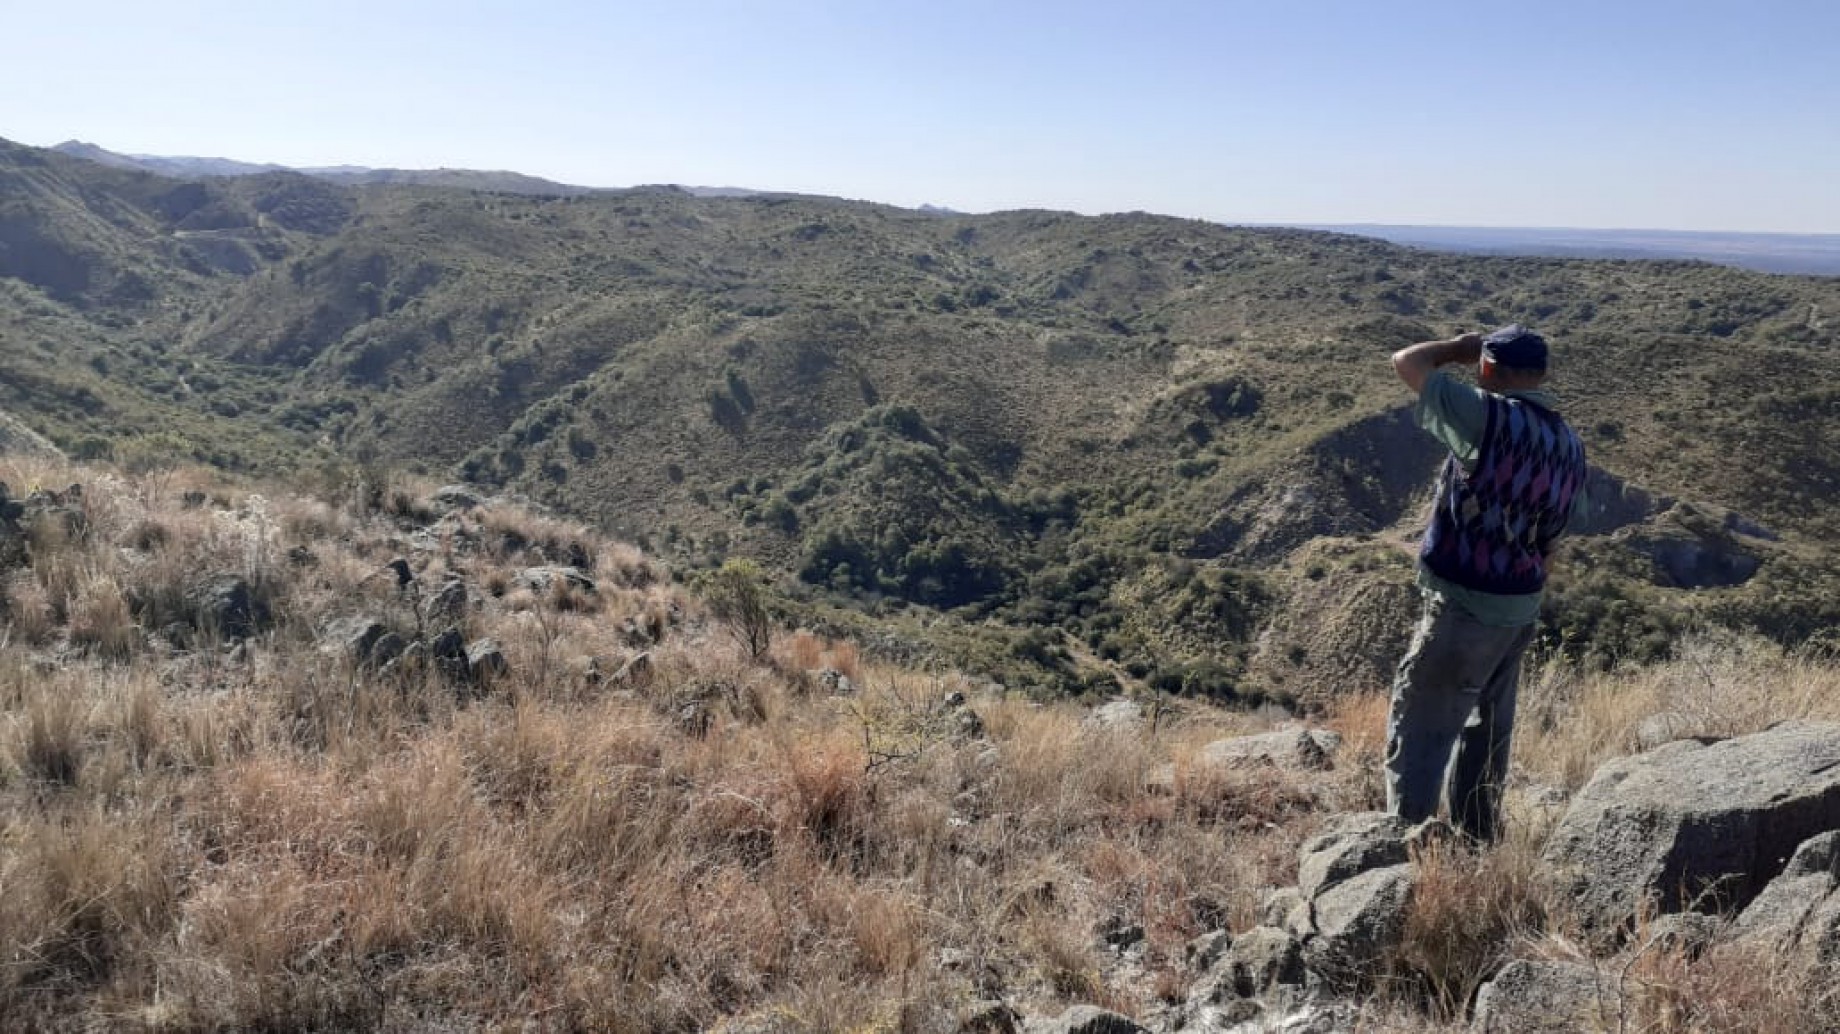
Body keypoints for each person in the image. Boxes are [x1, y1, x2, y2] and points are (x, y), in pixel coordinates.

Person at [1385, 324, 1588, 843]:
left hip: (1464, 606)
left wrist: (1458, 348)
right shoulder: (1569, 443)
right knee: (1487, 731)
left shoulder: (1487, 415)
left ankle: (1404, 848)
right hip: (1518, 608)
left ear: (1489, 367)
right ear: (1542, 374)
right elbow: (1552, 541)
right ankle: (1478, 841)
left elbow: (1406, 361)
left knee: (1422, 727)